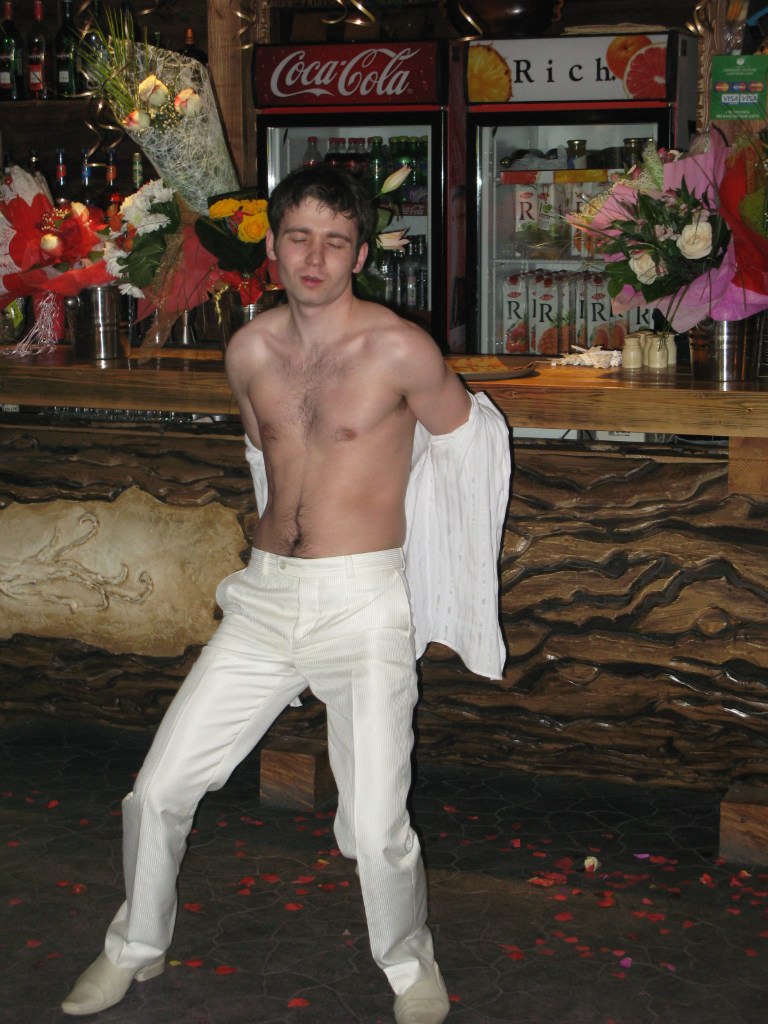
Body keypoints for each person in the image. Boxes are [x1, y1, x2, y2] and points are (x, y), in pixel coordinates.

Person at [61, 164, 509, 1023]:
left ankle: (408, 965)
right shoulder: (249, 350)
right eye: (299, 237)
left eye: (335, 242)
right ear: (271, 246)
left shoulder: (400, 349)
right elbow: (266, 459)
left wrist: (441, 582)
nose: (314, 257)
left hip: (362, 602)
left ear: (361, 254)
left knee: (375, 824)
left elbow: (471, 448)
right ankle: (134, 947)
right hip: (263, 600)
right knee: (157, 791)